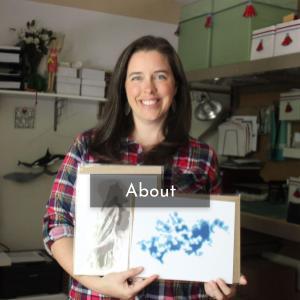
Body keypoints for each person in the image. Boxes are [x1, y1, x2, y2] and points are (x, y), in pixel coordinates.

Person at [43, 35, 247, 300]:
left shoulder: (202, 156)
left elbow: (216, 239)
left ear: (175, 86)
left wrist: (222, 281)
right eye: (136, 77)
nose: (148, 89)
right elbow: (56, 223)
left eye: (160, 76)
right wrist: (97, 282)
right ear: (123, 87)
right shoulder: (88, 147)